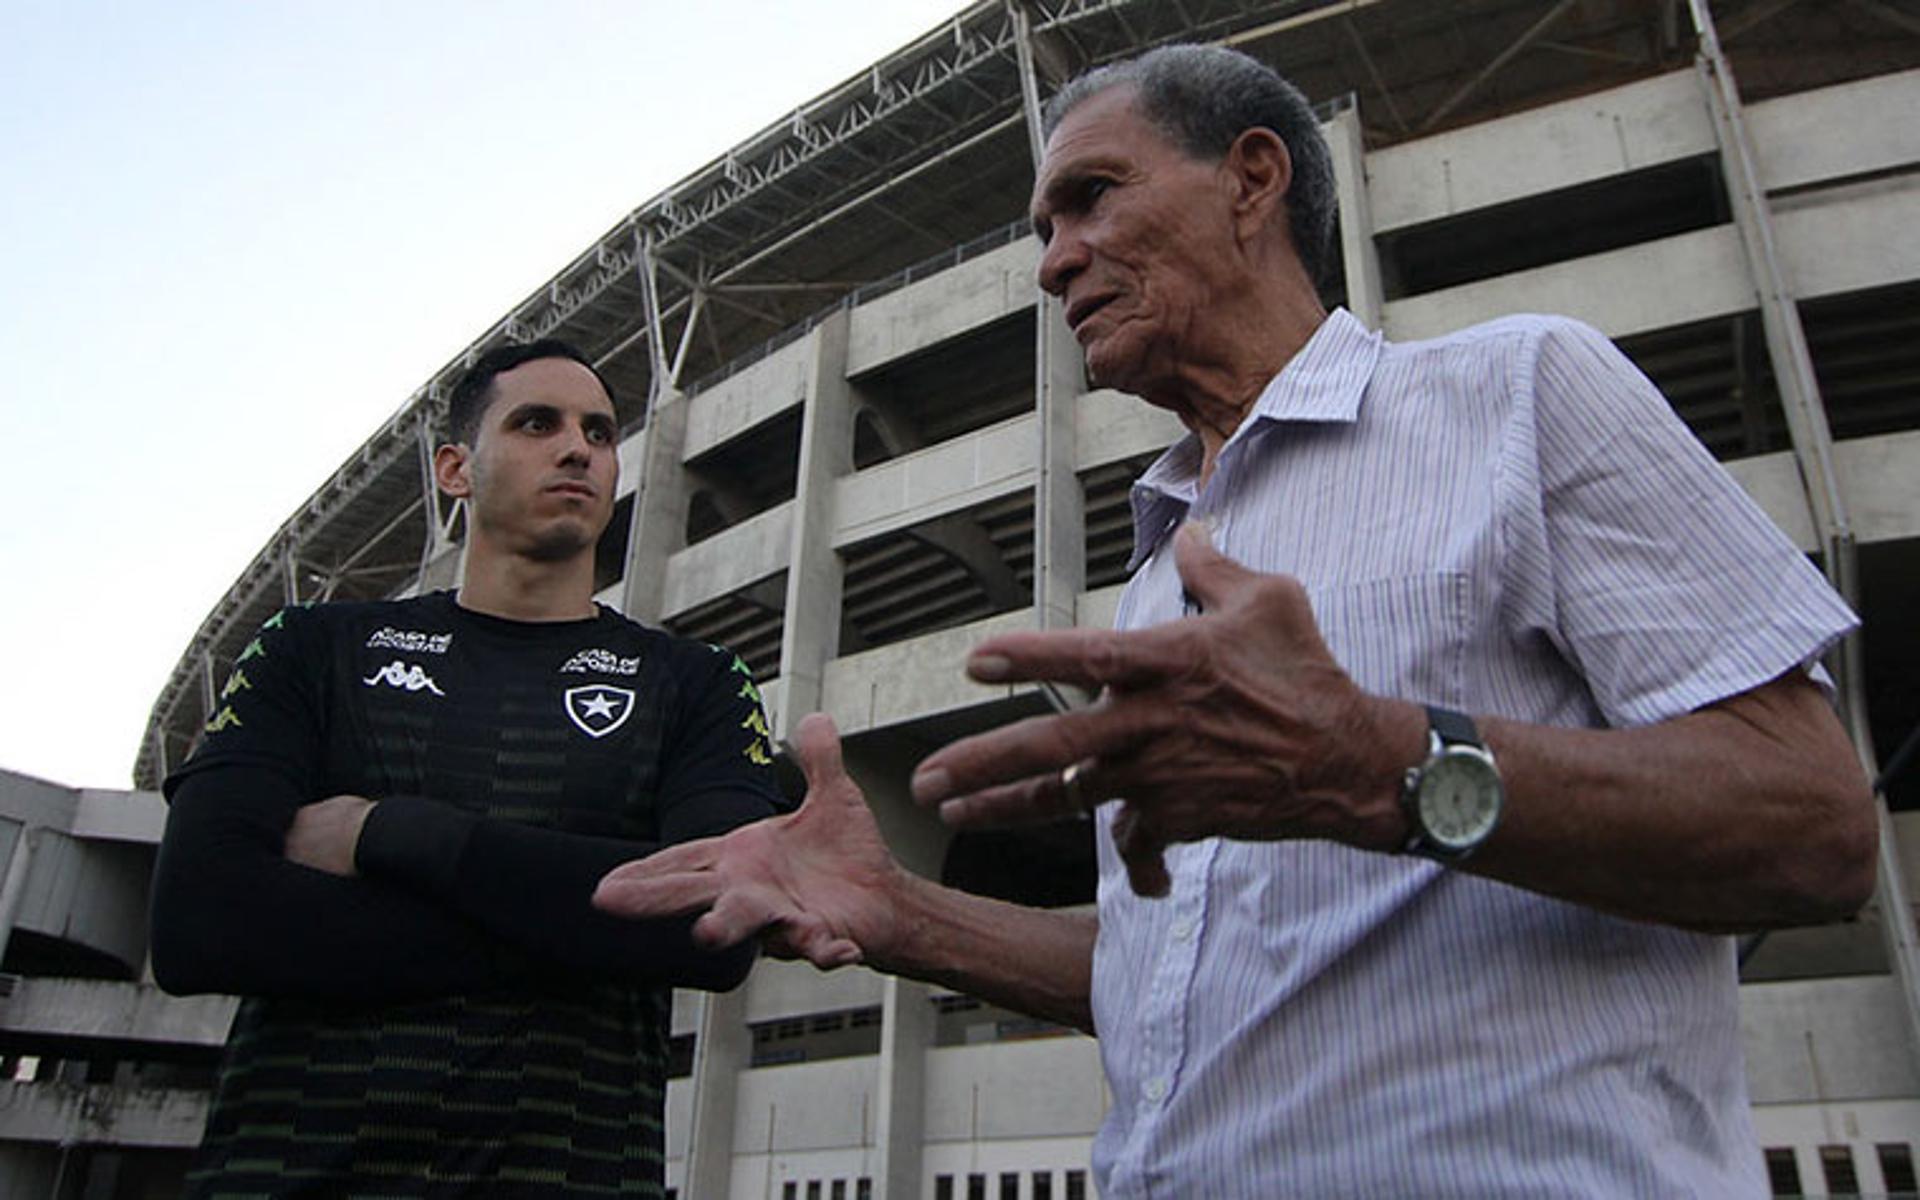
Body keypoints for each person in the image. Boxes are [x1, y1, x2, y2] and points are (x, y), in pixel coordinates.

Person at [594, 44, 1881, 1198]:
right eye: (1044, 226)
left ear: (1252, 181)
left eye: (1091, 197)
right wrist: (900, 915)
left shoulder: (1518, 396)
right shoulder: (1162, 569)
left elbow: (1814, 828)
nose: (1049, 262)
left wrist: (1380, 766)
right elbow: (1168, 966)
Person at [149, 339, 789, 1197]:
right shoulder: (316, 650)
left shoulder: (696, 682)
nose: (578, 448)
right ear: (455, 468)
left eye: (599, 433)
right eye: (537, 423)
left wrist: (389, 833)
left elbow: (711, 928)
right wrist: (585, 921)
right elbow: (200, 921)